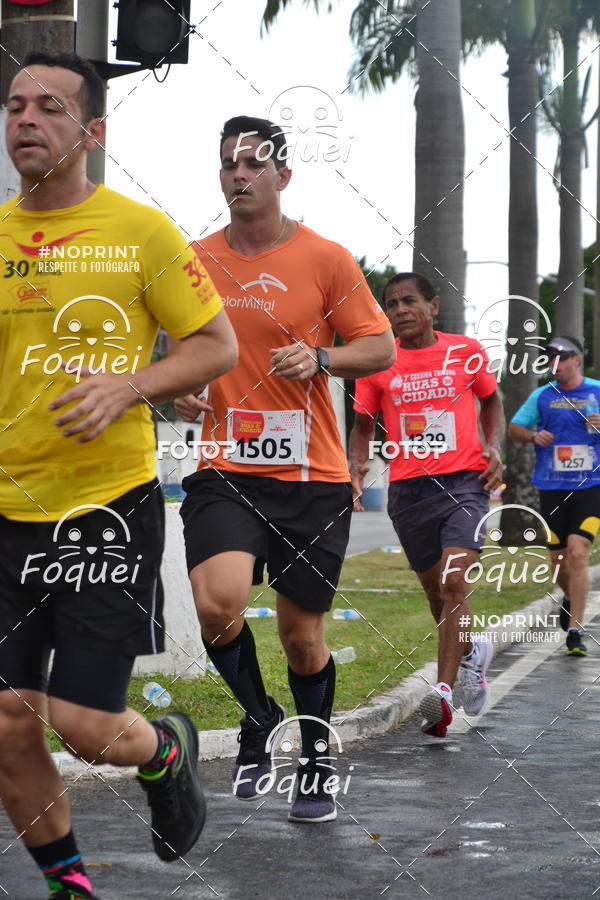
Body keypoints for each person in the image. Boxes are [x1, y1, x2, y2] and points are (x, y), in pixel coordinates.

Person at [0, 52, 238, 899]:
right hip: (4, 513)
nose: (26, 118)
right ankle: (70, 883)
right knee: (6, 724)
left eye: (50, 108)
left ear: (92, 132)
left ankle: (165, 749)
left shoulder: (142, 232)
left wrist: (128, 384)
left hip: (104, 509)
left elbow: (217, 346)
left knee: (87, 728)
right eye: (16, 105)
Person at [173, 115, 394, 823]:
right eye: (228, 164)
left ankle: (316, 758)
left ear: (283, 176)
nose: (239, 175)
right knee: (218, 606)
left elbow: (381, 346)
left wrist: (323, 358)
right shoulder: (193, 258)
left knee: (303, 639)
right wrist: (181, 391)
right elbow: (181, 355)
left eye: (254, 164)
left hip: (310, 474)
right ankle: (258, 716)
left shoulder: (325, 259)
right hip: (225, 465)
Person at [349, 273, 504, 738]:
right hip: (409, 490)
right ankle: (472, 653)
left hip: (464, 483)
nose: (399, 310)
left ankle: (442, 692)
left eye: (409, 301)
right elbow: (362, 427)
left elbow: (491, 401)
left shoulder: (465, 351)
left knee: (455, 580)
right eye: (391, 304)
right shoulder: (379, 363)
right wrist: (356, 467)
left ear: (434, 306)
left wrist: (494, 446)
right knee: (437, 594)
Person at [509, 335, 600, 657]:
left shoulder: (597, 391)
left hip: (591, 487)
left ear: (578, 358)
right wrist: (534, 434)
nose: (556, 364)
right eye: (551, 359)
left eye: (562, 358)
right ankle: (570, 597)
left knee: (578, 552)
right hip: (551, 488)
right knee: (558, 561)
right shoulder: (542, 395)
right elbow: (515, 428)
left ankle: (575, 631)